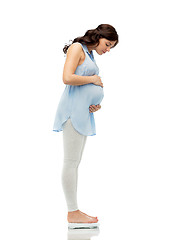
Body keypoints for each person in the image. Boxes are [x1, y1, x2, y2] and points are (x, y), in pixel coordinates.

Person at [53, 24, 119, 226]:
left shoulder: (89, 54)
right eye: (107, 44)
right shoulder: (77, 48)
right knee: (70, 162)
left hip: (82, 113)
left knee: (75, 162)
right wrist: (93, 80)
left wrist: (92, 104)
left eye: (111, 47)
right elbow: (67, 77)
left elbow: (82, 87)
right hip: (72, 112)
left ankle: (74, 212)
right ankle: (73, 213)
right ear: (98, 37)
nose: (107, 50)